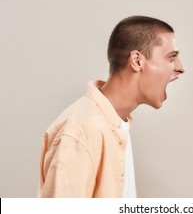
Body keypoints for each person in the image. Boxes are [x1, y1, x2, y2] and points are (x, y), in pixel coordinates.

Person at [38, 16, 185, 197]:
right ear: (137, 60)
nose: (180, 68)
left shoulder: (117, 123)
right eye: (171, 58)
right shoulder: (81, 131)